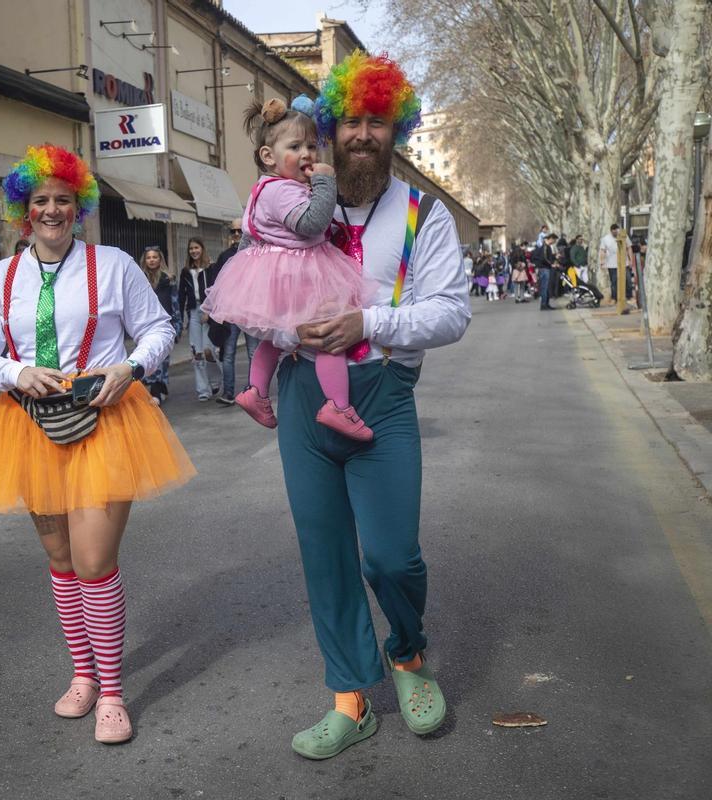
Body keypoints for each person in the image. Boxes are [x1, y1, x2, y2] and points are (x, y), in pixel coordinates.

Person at [0, 144, 196, 745]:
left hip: (107, 421)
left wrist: (130, 370)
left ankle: (113, 692)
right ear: (23, 209)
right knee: (62, 564)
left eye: (63, 199)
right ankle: (83, 675)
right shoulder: (1, 278)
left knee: (94, 563)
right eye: (40, 200)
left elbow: (160, 328)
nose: (52, 210)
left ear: (79, 205)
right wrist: (15, 374)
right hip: (28, 427)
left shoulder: (113, 264)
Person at [268, 51, 470, 760]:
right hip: (302, 395)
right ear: (329, 126)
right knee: (324, 557)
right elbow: (251, 287)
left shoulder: (424, 215)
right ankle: (351, 698)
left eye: (376, 121)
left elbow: (450, 314)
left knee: (390, 556)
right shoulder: (287, 202)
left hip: (383, 399)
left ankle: (408, 653)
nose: (361, 133)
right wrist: (278, 331)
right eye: (350, 119)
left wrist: (369, 324)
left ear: (396, 130)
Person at [203, 95, 378, 439]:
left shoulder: (263, 190)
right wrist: (326, 181)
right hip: (302, 273)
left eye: (312, 146)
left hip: (280, 275)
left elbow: (250, 236)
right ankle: (338, 406)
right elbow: (312, 223)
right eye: (295, 146)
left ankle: (256, 390)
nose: (308, 154)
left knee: (276, 337)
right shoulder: (283, 191)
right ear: (268, 156)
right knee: (328, 335)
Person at [209, 219, 258, 405]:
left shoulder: (255, 254)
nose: (237, 234)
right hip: (231, 312)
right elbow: (216, 284)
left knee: (253, 352)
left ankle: (254, 392)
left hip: (251, 311)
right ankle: (228, 392)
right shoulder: (224, 256)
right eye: (233, 231)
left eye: (240, 231)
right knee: (228, 353)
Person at [177, 237, 223, 401]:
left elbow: (216, 291)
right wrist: (181, 318)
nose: (194, 251)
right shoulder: (185, 271)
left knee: (208, 350)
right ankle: (203, 390)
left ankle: (216, 380)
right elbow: (181, 296)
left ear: (202, 249)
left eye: (196, 248)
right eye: (191, 249)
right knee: (197, 353)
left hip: (207, 312)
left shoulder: (210, 268)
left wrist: (209, 311)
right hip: (193, 312)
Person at [139, 245, 179, 403]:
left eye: (154, 257)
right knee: (150, 355)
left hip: (165, 323)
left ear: (160, 259)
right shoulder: (140, 278)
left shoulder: (168, 279)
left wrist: (177, 324)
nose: (151, 260)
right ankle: (158, 390)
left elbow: (175, 302)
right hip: (145, 324)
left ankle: (158, 389)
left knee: (163, 358)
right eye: (148, 257)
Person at [532, 233, 559, 310]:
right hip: (544, 269)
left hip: (546, 268)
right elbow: (544, 258)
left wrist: (554, 256)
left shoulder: (547, 247)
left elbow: (548, 257)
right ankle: (544, 304)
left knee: (546, 287)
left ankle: (546, 304)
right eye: (554, 240)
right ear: (550, 239)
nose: (554, 242)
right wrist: (551, 264)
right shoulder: (544, 247)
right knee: (544, 287)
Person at [599, 223, 621, 301]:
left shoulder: (622, 236)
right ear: (611, 231)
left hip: (622, 263)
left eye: (617, 231)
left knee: (625, 280)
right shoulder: (606, 239)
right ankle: (614, 297)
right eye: (614, 231)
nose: (616, 233)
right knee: (614, 281)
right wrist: (602, 261)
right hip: (611, 264)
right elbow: (603, 251)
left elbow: (628, 248)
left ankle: (624, 296)